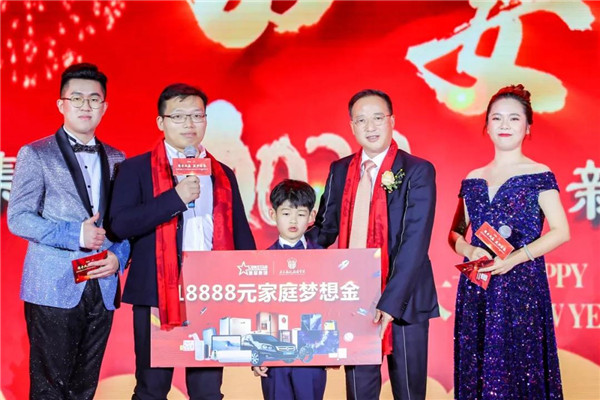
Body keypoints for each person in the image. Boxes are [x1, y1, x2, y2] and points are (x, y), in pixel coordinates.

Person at [108, 83, 256, 399]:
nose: (189, 124)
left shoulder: (223, 174)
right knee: (152, 389)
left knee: (208, 391)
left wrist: (251, 294)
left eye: (197, 116)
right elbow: (120, 225)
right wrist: (174, 199)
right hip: (156, 292)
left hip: (212, 294)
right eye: (178, 116)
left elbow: (241, 236)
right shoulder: (135, 169)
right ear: (160, 122)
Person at [7, 63, 130, 400]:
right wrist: (75, 234)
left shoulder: (118, 158)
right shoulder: (36, 154)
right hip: (52, 285)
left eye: (94, 99)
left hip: (102, 283)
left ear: (104, 106)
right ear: (61, 104)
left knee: (84, 388)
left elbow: (124, 223)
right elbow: (18, 218)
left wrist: (118, 258)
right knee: (49, 387)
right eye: (77, 98)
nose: (85, 105)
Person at [307, 89, 439, 400]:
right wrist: (292, 242)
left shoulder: (417, 170)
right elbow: (326, 229)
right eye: (361, 120)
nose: (370, 127)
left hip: (405, 300)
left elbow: (415, 242)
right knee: (359, 392)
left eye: (378, 118)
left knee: (409, 393)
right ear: (352, 126)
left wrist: (389, 303)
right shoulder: (340, 169)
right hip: (355, 296)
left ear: (392, 121)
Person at [448, 84, 569, 399]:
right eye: (497, 118)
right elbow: (455, 233)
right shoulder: (473, 179)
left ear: (527, 127)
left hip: (521, 286)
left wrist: (514, 259)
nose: (505, 125)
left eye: (514, 118)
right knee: (478, 368)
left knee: (519, 367)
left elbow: (561, 231)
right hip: (478, 286)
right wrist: (469, 248)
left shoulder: (539, 174)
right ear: (486, 126)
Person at [252, 179, 327, 400]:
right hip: (273, 357)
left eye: (301, 214)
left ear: (312, 216)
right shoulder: (259, 262)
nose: (293, 220)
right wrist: (256, 356)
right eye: (285, 213)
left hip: (311, 355)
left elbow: (333, 306)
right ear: (272, 214)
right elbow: (252, 310)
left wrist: (332, 347)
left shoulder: (325, 260)